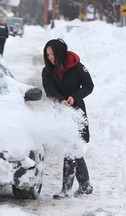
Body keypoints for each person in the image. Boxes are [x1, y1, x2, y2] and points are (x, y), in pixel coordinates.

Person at [41, 39, 94, 199]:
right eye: (48, 55)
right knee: (71, 146)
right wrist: (60, 100)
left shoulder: (77, 67)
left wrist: (74, 97)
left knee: (72, 147)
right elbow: (49, 90)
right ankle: (84, 185)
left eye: (52, 54)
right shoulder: (47, 71)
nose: (50, 58)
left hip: (77, 112)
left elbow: (88, 85)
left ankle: (68, 189)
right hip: (61, 112)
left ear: (60, 52)